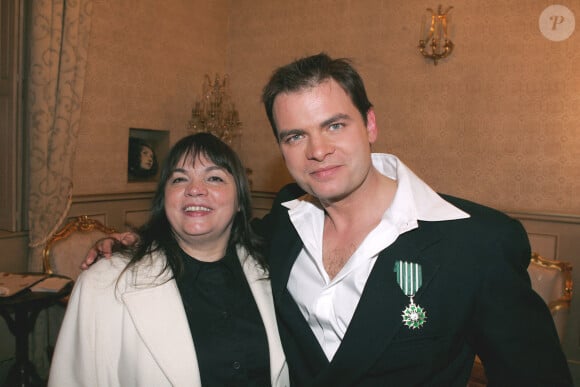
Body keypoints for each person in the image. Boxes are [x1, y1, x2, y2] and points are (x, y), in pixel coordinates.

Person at [84, 54, 572, 386]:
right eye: (295, 136)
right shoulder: (280, 228)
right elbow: (208, 238)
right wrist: (138, 241)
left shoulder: (475, 243)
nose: (317, 150)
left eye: (334, 125)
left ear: (371, 124)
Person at [49, 133, 289, 387]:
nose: (195, 189)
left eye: (214, 177)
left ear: (240, 200)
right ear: (164, 200)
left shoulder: (276, 271)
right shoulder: (103, 284)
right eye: (179, 179)